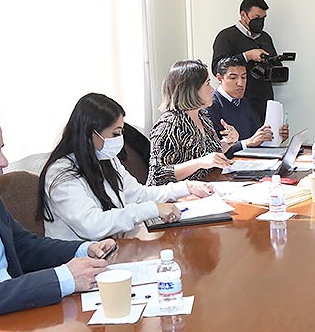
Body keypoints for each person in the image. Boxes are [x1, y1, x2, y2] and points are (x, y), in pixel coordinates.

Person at [0, 99, 114, 332]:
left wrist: (82, 250)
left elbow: (22, 246)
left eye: (0, 150)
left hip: (14, 320)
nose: (3, 162)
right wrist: (62, 278)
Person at [40, 93, 216, 241]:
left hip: (115, 247)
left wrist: (186, 187)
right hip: (79, 261)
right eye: (115, 133)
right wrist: (152, 209)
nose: (120, 140)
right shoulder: (61, 173)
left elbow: (139, 195)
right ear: (90, 133)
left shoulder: (106, 159)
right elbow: (92, 225)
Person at [148, 60, 236, 185]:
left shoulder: (203, 115)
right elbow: (158, 175)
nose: (212, 89)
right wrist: (200, 162)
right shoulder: (168, 125)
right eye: (207, 84)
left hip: (204, 186)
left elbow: (210, 153)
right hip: (177, 194)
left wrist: (228, 142)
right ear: (192, 89)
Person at [211, 0, 281, 123]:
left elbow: (275, 68)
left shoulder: (265, 38)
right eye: (256, 18)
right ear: (243, 15)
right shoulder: (226, 36)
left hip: (264, 102)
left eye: (263, 18)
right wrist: (247, 56)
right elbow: (217, 67)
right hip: (239, 103)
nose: (260, 22)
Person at [206, 56, 289, 151]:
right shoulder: (211, 105)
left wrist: (276, 136)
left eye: (244, 77)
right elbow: (213, 150)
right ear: (219, 78)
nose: (240, 83)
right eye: (233, 78)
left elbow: (257, 137)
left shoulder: (244, 101)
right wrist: (247, 143)